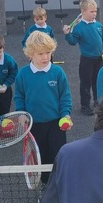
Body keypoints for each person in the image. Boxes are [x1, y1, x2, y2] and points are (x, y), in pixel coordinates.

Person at [15, 31, 72, 187]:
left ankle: (58, 185)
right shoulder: (23, 74)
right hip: (34, 125)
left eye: (48, 52)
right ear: (30, 54)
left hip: (56, 124)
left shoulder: (57, 72)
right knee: (40, 157)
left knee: (57, 156)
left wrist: (65, 115)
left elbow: (65, 97)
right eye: (40, 53)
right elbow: (19, 96)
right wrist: (21, 113)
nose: (45, 57)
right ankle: (46, 185)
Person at [62, 0, 103, 115]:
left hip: (99, 59)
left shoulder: (99, 26)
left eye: (95, 11)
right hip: (87, 60)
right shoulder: (79, 27)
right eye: (92, 11)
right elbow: (73, 41)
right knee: (86, 83)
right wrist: (67, 34)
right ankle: (85, 105)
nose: (94, 14)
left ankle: (98, 101)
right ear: (83, 12)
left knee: (98, 81)